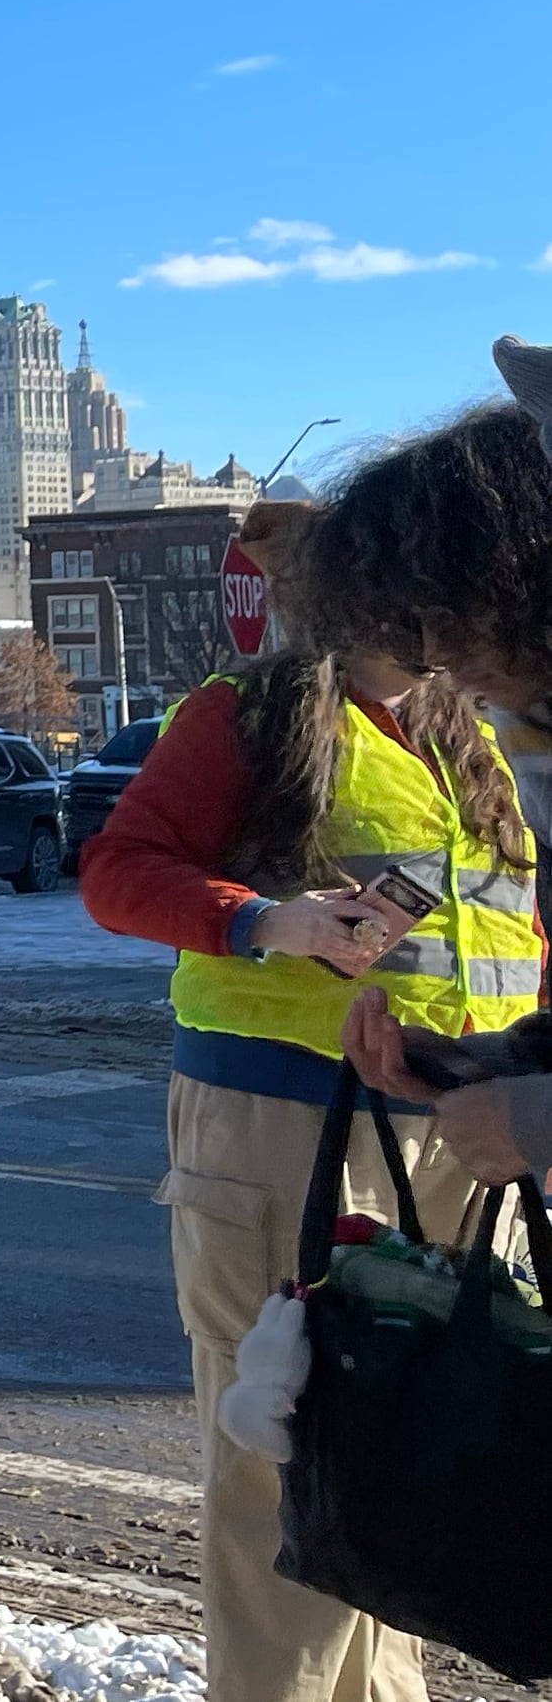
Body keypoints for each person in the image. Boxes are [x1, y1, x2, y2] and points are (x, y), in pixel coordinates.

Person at [79, 497, 539, 1702]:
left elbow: (513, 925)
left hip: (454, 1130)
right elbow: (120, 874)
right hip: (279, 1124)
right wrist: (264, 920)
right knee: (282, 1460)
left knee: (400, 1460)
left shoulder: (468, 737)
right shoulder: (244, 717)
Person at [306, 379, 552, 1199]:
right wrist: (484, 1067)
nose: (436, 654)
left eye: (460, 609)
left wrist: (532, 1119)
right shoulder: (530, 735)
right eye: (413, 624)